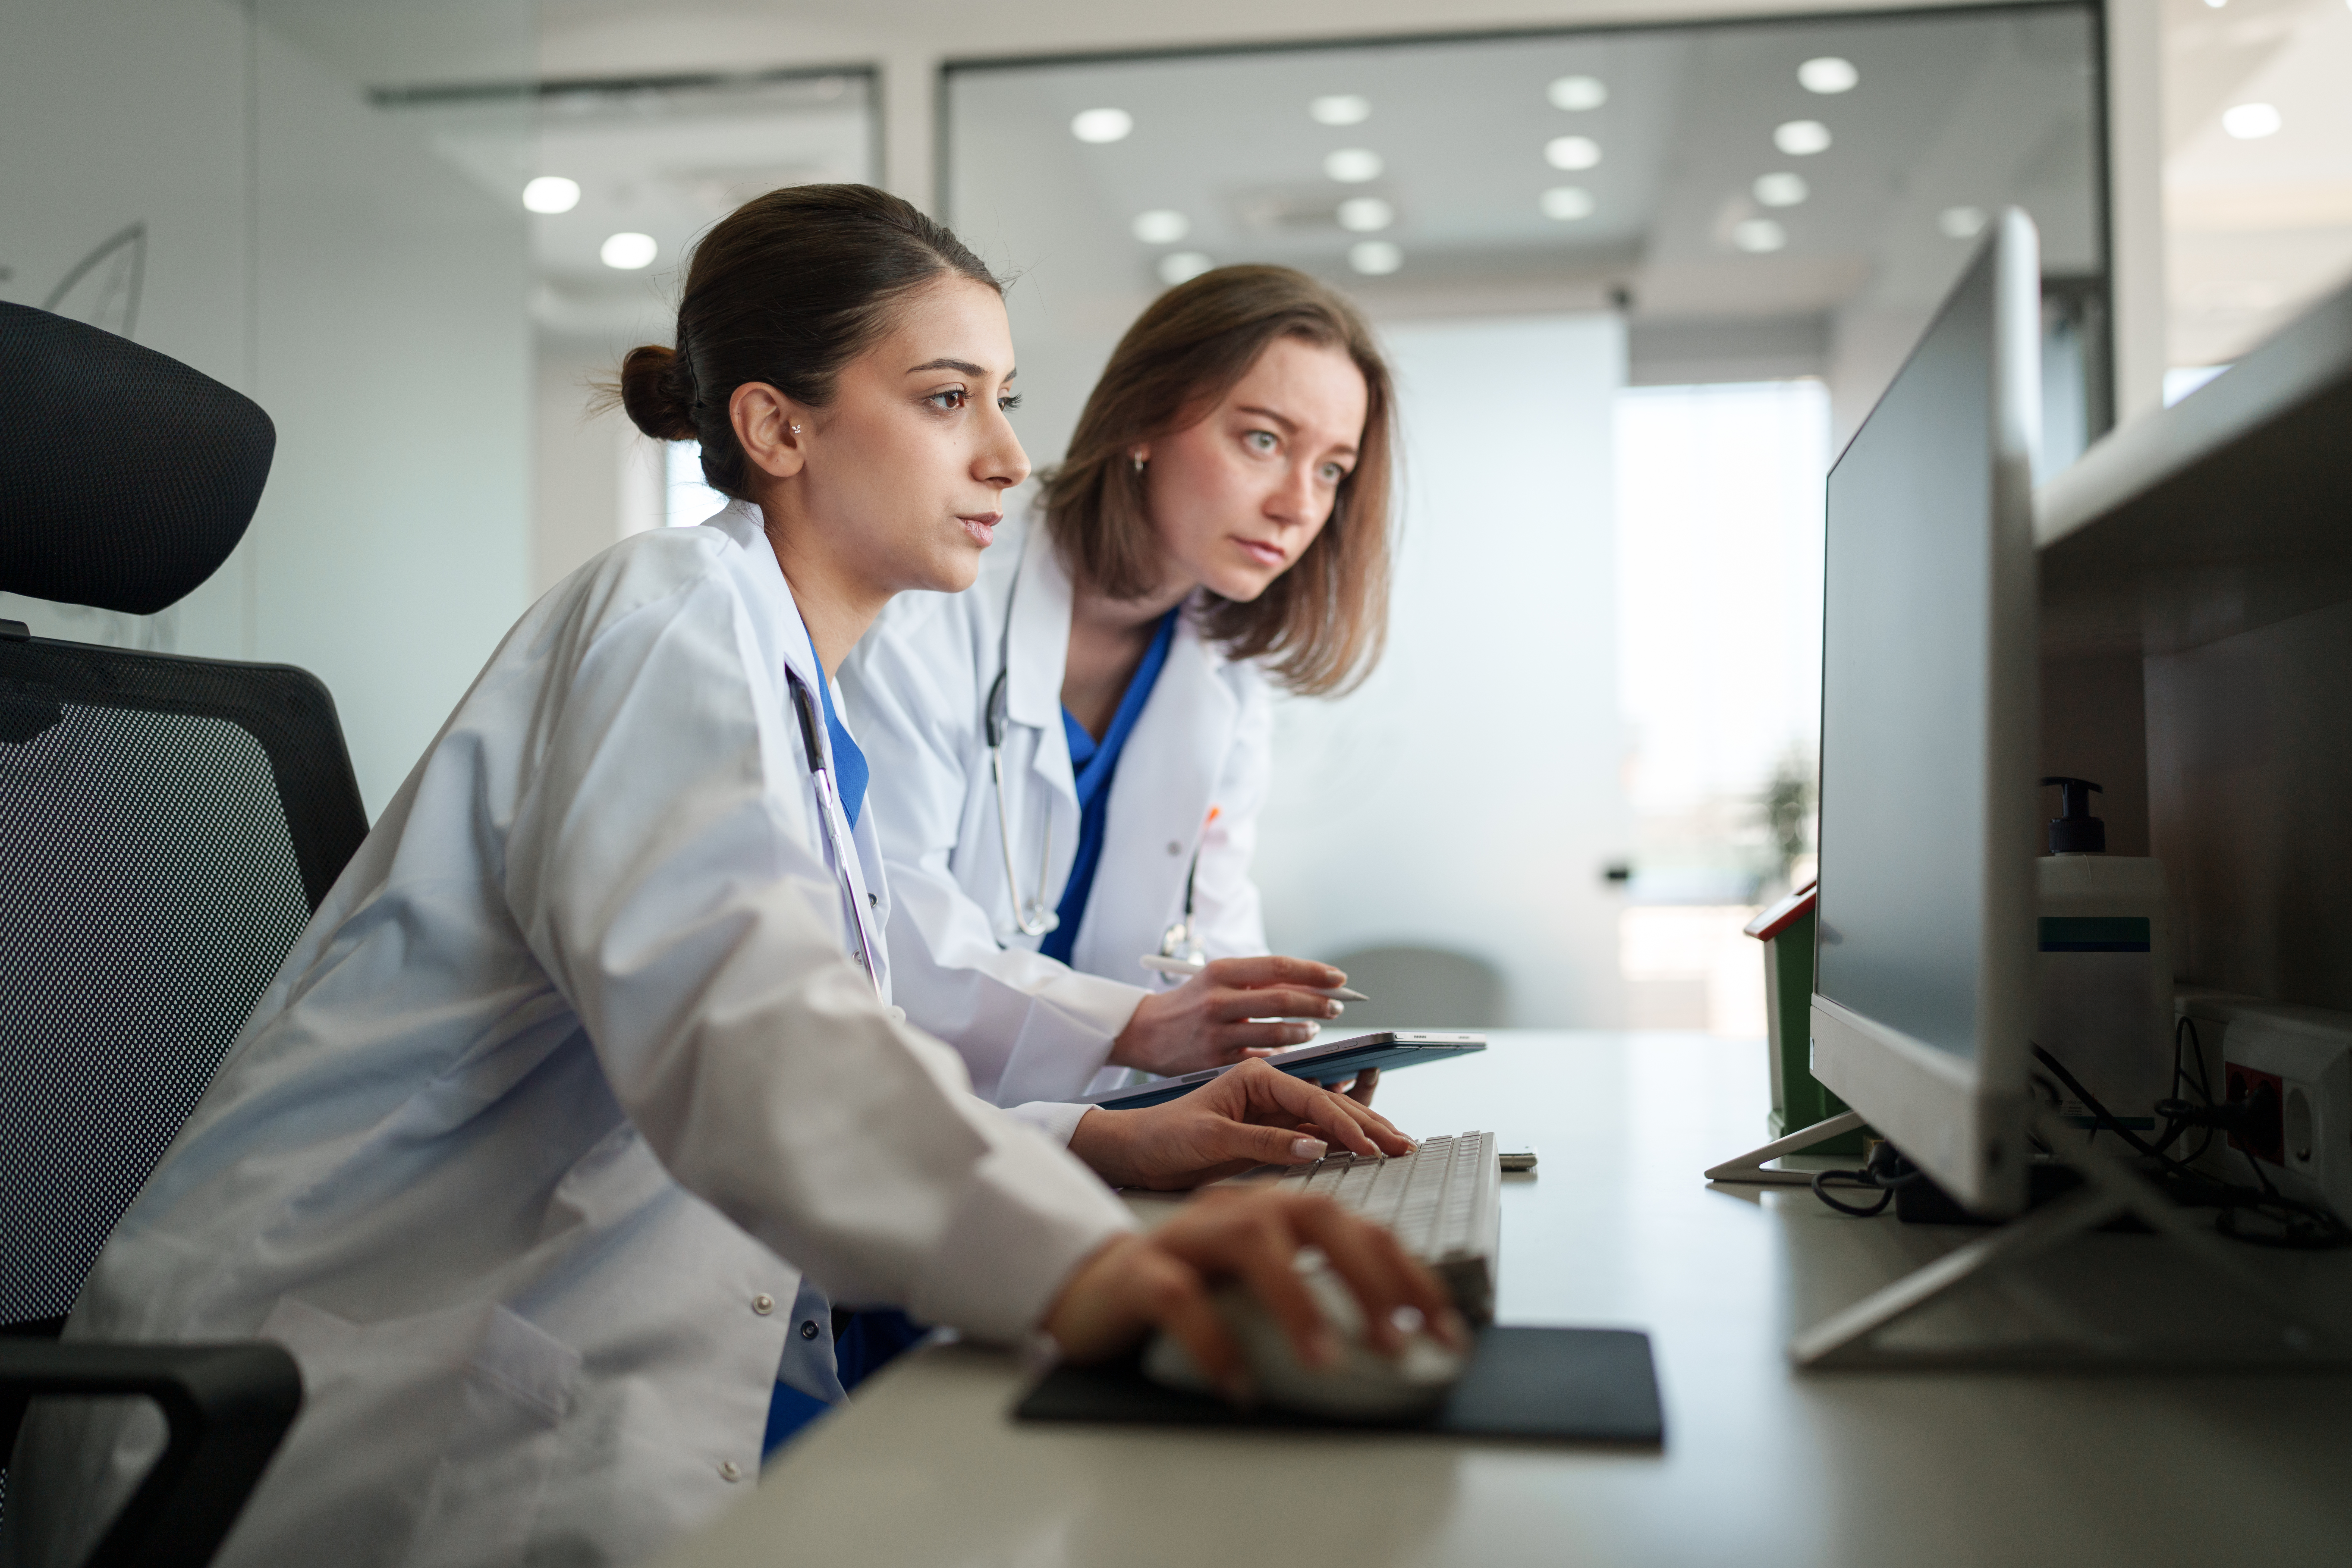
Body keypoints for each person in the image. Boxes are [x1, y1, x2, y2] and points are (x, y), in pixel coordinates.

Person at [4, 188, 1454, 1568]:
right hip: (338, 1422)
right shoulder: (664, 621)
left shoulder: (786, 682)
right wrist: (1081, 1263)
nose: (1011, 460)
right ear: (776, 426)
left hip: (542, 1365)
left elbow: (847, 1005)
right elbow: (746, 1022)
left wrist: (1099, 1140)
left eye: (1003, 401)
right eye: (951, 400)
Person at [841, 265, 1396, 1107]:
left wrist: (1268, 1062)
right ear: (1143, 417)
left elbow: (1210, 924)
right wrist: (1134, 1026)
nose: (1296, 505)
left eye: (1330, 470)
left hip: (1089, 1134)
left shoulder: (1222, 668)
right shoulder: (932, 611)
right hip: (906, 1130)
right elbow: (889, 926)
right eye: (1262, 441)